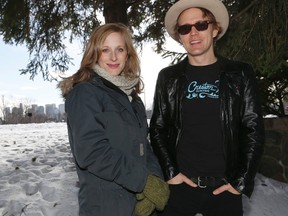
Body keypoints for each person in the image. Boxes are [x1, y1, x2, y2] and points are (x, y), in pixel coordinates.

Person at [149, 0, 265, 215]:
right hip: (179, 187)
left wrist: (240, 181)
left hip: (225, 189)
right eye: (185, 28)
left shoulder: (239, 74)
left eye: (201, 25)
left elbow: (254, 128)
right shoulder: (168, 77)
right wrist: (171, 172)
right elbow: (157, 128)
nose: (193, 33)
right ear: (180, 37)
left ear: (215, 29)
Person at [58, 23, 169, 216]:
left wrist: (156, 181)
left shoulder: (133, 99)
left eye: (120, 49)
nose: (113, 57)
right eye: (105, 50)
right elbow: (91, 152)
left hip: (137, 203)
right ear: (95, 53)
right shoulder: (85, 93)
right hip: (105, 207)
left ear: (128, 54)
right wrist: (143, 182)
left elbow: (145, 147)